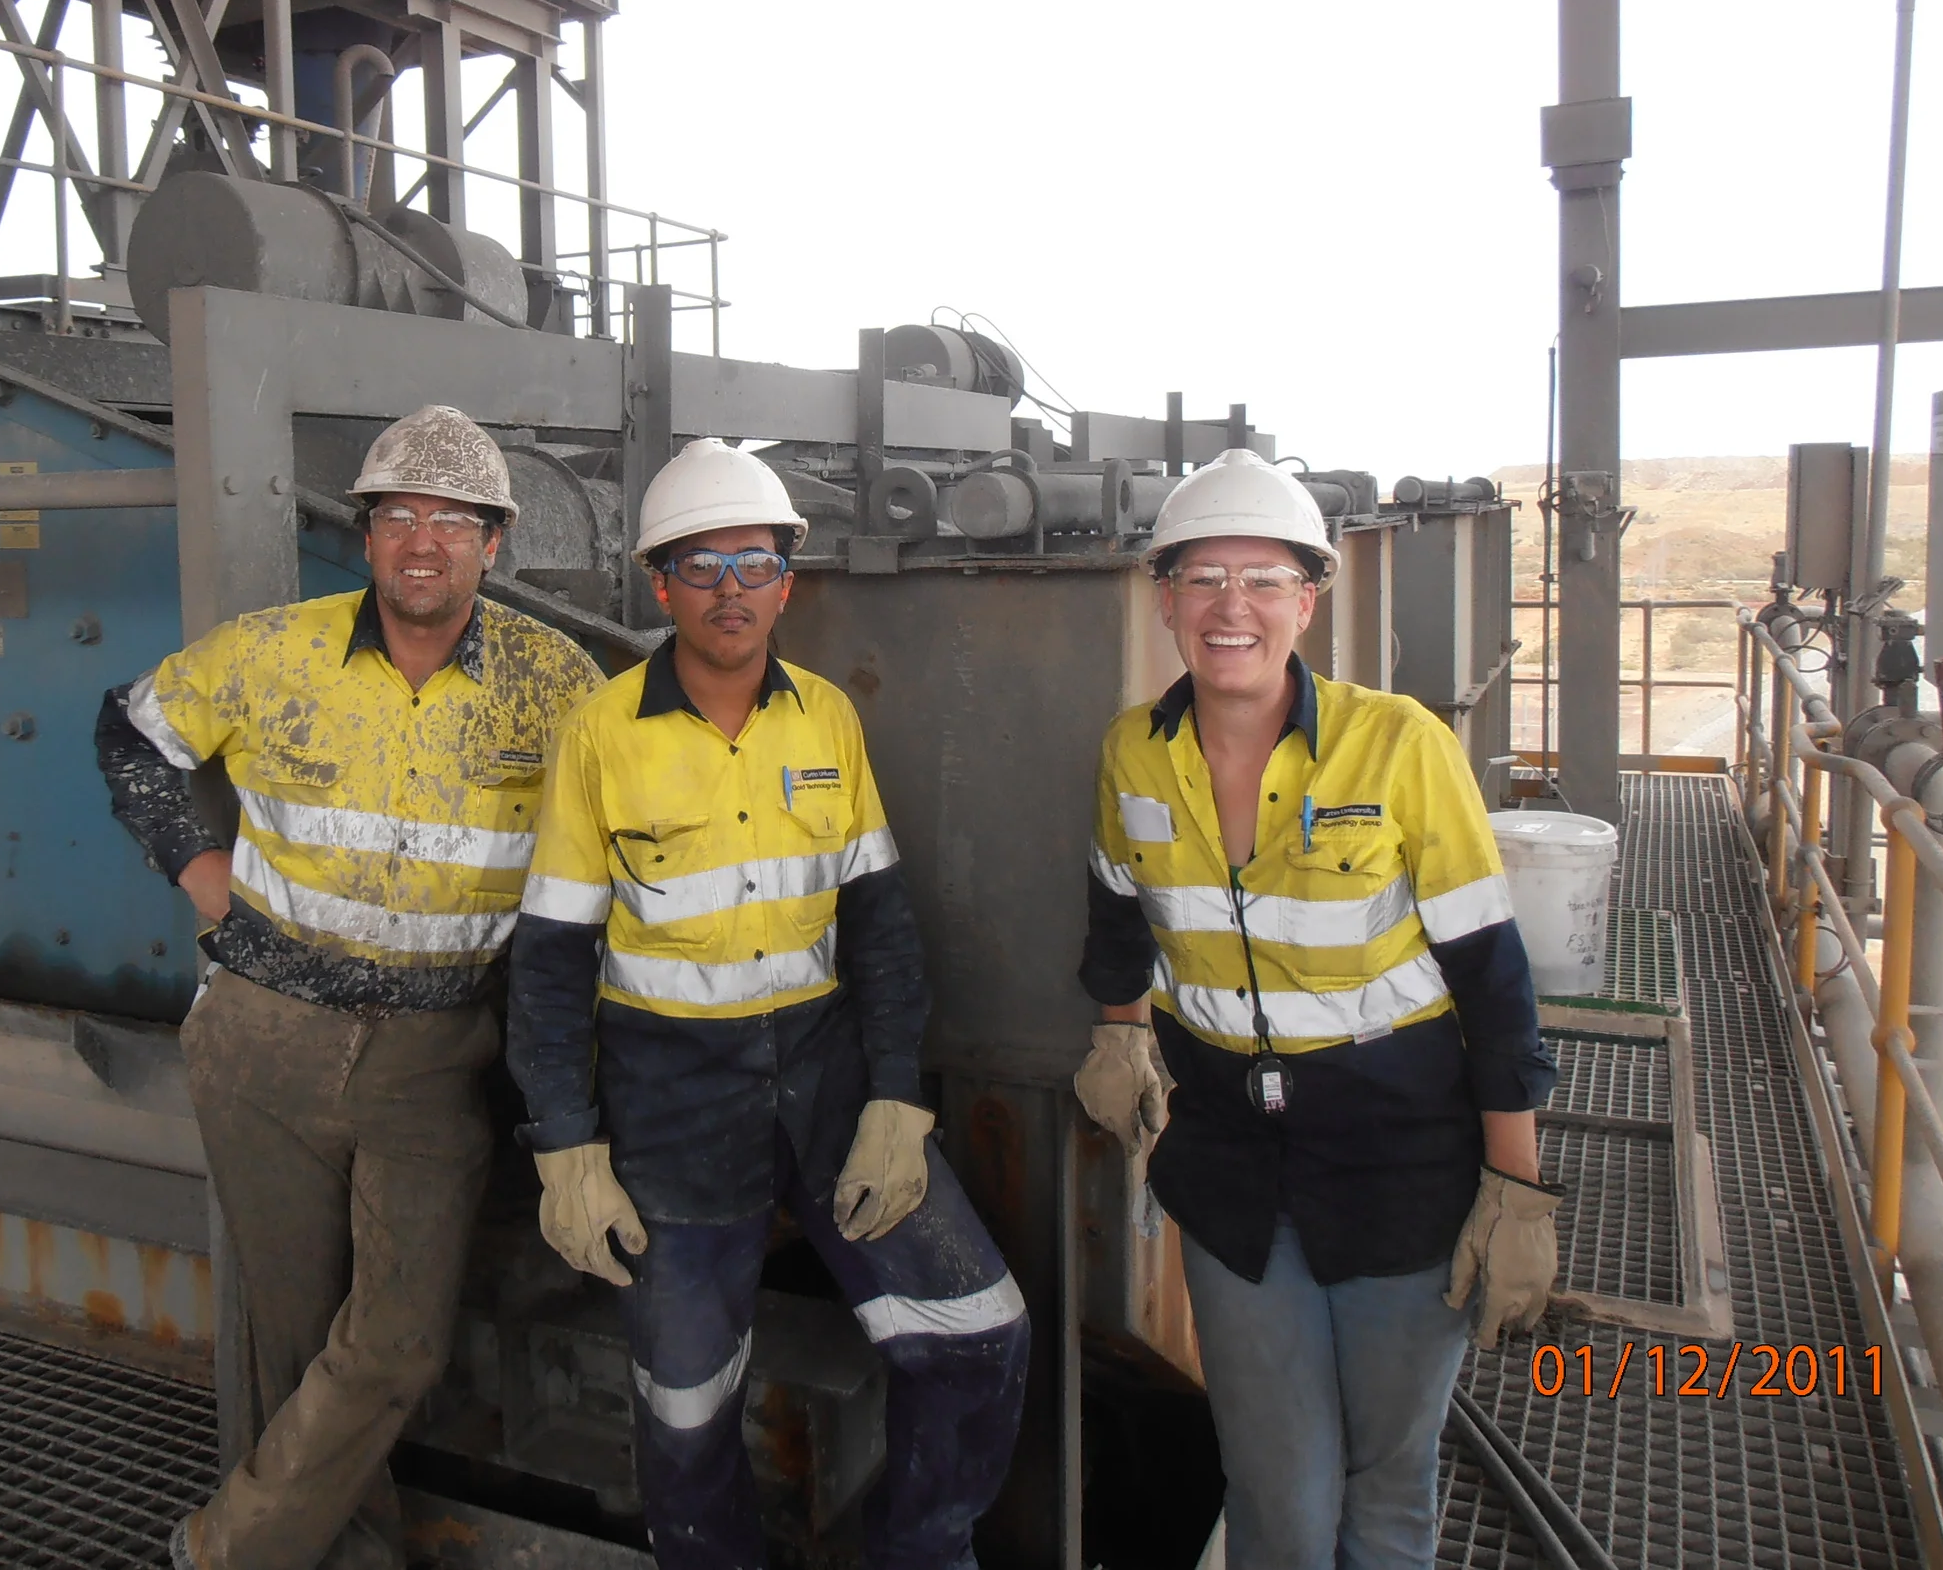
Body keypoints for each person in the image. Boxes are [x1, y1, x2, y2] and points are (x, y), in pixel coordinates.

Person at [94, 405, 606, 1570]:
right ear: (366, 536)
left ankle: (225, 1549)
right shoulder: (271, 651)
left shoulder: (554, 682)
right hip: (261, 1040)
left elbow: (621, 841)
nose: (423, 542)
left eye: (454, 520)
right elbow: (132, 735)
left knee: (396, 1342)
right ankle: (347, 1553)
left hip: (434, 1052)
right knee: (294, 1337)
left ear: (495, 542)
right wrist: (200, 869)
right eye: (398, 517)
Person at [504, 438, 1029, 1570]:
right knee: (685, 1406)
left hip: (830, 1084)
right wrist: (566, 1147)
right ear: (659, 584)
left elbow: (880, 926)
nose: (730, 591)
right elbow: (549, 959)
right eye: (702, 565)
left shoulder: (825, 719)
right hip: (675, 1103)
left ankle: (921, 1553)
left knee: (980, 1336)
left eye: (754, 563)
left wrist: (896, 1098)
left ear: (788, 579)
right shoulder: (600, 734)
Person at [1073, 450, 1559, 1570]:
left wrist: (1515, 1187)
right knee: (1277, 1494)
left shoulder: (1399, 748)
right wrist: (1117, 1030)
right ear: (1164, 601)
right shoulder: (1129, 757)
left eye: (1260, 579)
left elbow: (1492, 977)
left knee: (1384, 1488)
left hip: (1400, 1162)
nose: (1228, 607)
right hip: (1233, 1169)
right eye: (1201, 579)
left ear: (1307, 599)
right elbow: (1113, 916)